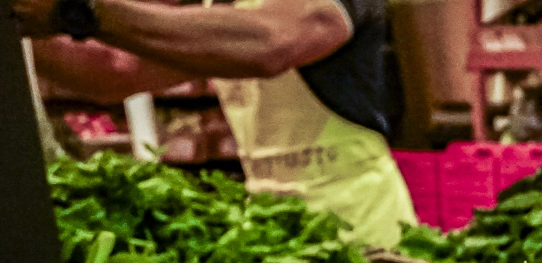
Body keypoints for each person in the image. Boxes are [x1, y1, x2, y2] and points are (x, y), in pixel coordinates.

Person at [16, 0, 417, 249]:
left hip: (363, 230)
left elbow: (272, 43)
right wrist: (18, 22)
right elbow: (115, 72)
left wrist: (81, 10)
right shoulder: (224, 6)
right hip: (270, 227)